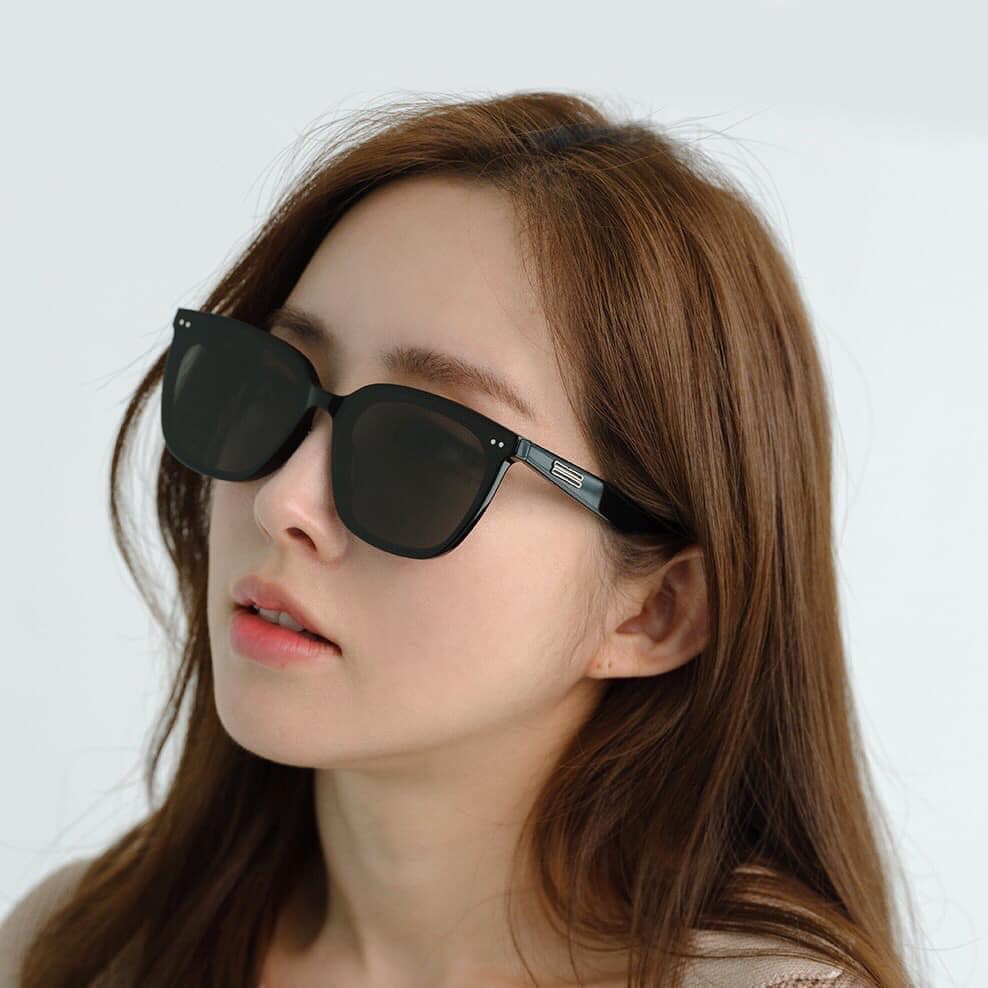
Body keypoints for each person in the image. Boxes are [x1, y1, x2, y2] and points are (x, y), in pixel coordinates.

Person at [1, 91, 919, 987]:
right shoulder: (81, 951)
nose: (284, 500)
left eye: (424, 450)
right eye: (274, 384)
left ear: (655, 612)